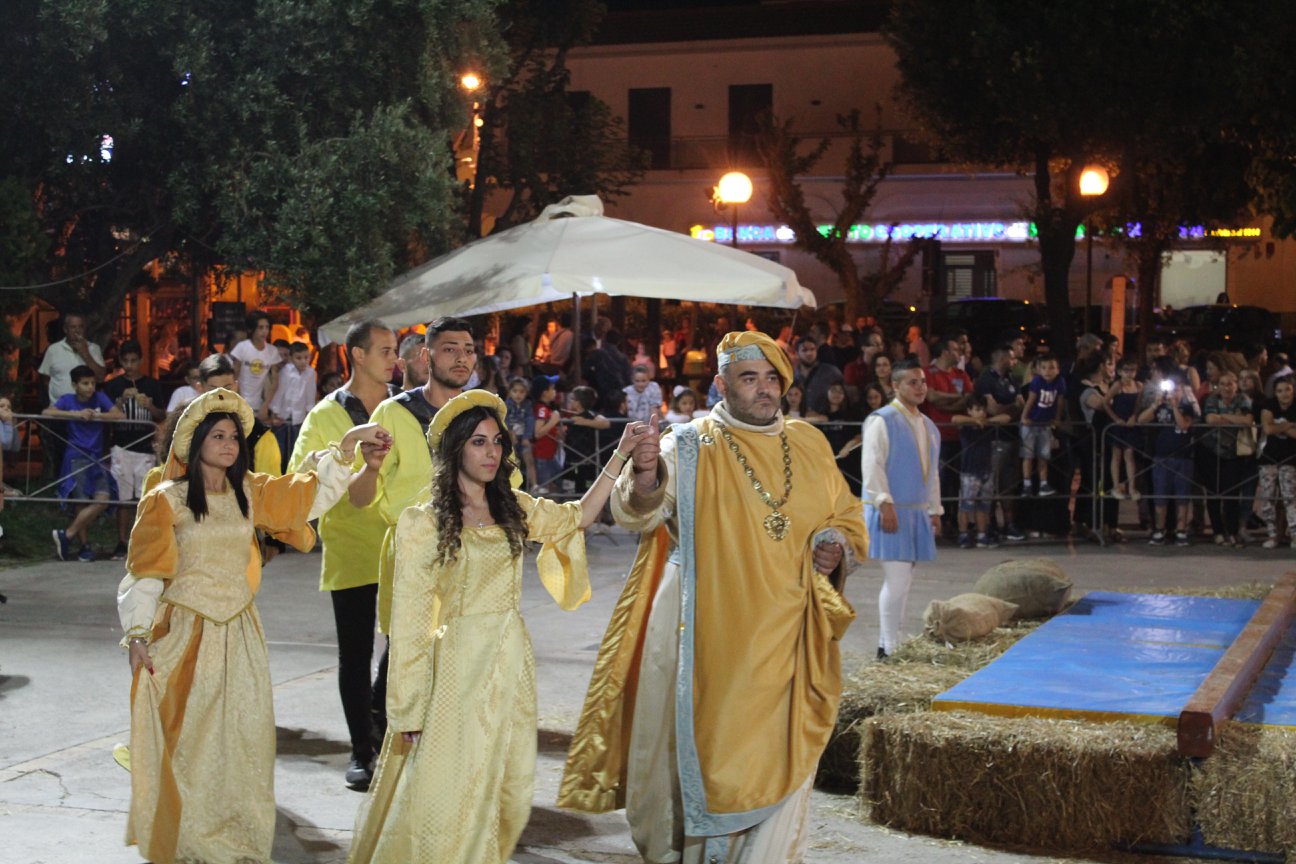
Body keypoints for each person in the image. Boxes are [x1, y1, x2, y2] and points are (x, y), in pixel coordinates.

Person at [558, 331, 865, 862]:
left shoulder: (810, 444)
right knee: (691, 754)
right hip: (701, 626)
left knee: (781, 751)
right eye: (750, 378)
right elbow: (639, 512)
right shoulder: (691, 443)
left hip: (788, 632)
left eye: (773, 378)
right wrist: (649, 472)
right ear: (722, 384)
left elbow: (844, 515)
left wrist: (833, 546)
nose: (764, 390)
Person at [348, 391, 650, 864]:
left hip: (508, 663)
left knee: (498, 789)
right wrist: (406, 709)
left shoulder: (513, 508)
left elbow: (578, 516)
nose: (491, 453)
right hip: (454, 669)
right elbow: (407, 623)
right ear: (454, 451)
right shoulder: (422, 523)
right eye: (478, 442)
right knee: (441, 788)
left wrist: (621, 454)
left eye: (496, 442)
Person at [116, 387, 390, 864]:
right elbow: (145, 572)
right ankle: (191, 840)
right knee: (191, 743)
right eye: (218, 436)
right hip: (185, 635)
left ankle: (238, 840)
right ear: (195, 441)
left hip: (240, 633)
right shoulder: (167, 499)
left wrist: (347, 446)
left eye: (234, 438)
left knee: (244, 741)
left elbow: (305, 496)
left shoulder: (250, 492)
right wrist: (138, 635)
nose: (228, 444)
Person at [288, 320, 400, 789]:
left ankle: (378, 712)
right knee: (353, 654)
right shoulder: (325, 414)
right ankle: (361, 751)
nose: (394, 358)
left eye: (395, 350)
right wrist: (347, 447)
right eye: (385, 350)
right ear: (356, 354)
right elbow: (298, 477)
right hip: (351, 543)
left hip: (403, 543)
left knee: (406, 645)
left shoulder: (405, 407)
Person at [349, 316, 476, 636]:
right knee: (406, 664)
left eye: (469, 350)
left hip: (473, 557)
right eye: (450, 349)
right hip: (413, 556)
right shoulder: (393, 413)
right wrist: (371, 467)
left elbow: (510, 488)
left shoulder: (482, 414)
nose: (462, 358)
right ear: (425, 356)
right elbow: (358, 498)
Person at [861, 359, 941, 656]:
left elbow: (932, 472)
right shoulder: (882, 420)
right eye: (912, 382)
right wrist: (883, 502)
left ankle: (894, 640)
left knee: (904, 581)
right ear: (895, 386)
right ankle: (887, 646)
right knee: (896, 579)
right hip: (892, 509)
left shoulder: (929, 425)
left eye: (922, 381)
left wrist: (934, 509)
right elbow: (872, 464)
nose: (920, 388)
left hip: (915, 511)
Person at [45, 365, 124, 561]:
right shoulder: (68, 400)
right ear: (74, 385)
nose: (90, 387)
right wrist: (75, 414)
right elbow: (47, 412)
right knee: (81, 500)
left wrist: (97, 415)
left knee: (103, 498)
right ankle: (84, 546)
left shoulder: (99, 398)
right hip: (76, 455)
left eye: (92, 383)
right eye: (85, 383)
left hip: (96, 456)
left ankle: (67, 535)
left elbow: (118, 414)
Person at [103, 340, 166, 560]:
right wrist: (120, 403)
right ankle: (122, 541)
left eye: (133, 361)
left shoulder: (152, 385)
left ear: (140, 360)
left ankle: (142, 540)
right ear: (120, 361)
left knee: (143, 497)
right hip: (121, 446)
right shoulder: (113, 386)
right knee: (123, 498)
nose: (130, 365)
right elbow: (107, 417)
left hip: (145, 447)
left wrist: (148, 406)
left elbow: (161, 415)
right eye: (125, 361)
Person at [1137, 365, 1200, 545]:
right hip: (1161, 458)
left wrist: (1174, 407)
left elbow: (1183, 425)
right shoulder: (1160, 406)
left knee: (1182, 496)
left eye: (1177, 389)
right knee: (1160, 496)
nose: (1173, 392)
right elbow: (1142, 420)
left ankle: (1181, 530)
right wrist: (1156, 404)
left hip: (1183, 458)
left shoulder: (1187, 407)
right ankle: (1159, 530)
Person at [198, 354, 282, 475]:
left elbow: (270, 487)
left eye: (227, 388)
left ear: (236, 386)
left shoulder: (259, 435)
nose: (222, 396)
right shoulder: (187, 428)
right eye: (213, 390)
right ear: (200, 388)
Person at [923, 335, 973, 533]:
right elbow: (932, 397)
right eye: (954, 348)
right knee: (939, 480)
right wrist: (958, 399)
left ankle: (954, 518)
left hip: (960, 436)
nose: (959, 352)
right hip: (937, 436)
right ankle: (939, 520)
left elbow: (969, 399)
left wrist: (950, 400)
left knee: (958, 481)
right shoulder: (929, 373)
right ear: (944, 352)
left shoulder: (961, 375)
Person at [1201, 371, 1254, 547]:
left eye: (1230, 384)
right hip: (1212, 451)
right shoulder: (1211, 399)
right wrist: (1234, 419)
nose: (1226, 388)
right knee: (1213, 493)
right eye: (1222, 384)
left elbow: (1247, 421)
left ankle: (1232, 531)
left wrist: (1222, 418)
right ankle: (1217, 531)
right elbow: (1209, 419)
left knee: (1232, 494)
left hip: (1234, 453)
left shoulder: (1243, 399)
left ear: (1236, 385)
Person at [953, 393, 1009, 548]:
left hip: (986, 469)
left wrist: (987, 420)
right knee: (965, 505)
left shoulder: (987, 425)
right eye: (977, 409)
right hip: (970, 471)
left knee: (983, 505)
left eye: (983, 410)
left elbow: (1006, 418)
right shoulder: (966, 426)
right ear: (969, 410)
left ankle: (981, 534)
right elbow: (955, 419)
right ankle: (963, 534)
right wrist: (974, 421)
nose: (981, 413)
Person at [1020, 354, 1067, 496]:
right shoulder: (1036, 382)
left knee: (1043, 455)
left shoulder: (1060, 382)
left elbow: (1060, 402)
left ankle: (1043, 483)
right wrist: (1024, 417)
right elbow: (1031, 400)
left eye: (1051, 368)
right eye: (1044, 368)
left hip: (1045, 424)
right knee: (1028, 455)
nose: (1048, 371)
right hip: (1031, 422)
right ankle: (1027, 484)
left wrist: (1057, 418)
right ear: (1038, 369)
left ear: (1058, 369)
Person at [1258, 375, 1296, 549]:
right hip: (1269, 458)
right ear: (1275, 393)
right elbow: (1268, 428)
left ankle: (1294, 534)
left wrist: (1278, 426)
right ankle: (1273, 534)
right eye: (1280, 391)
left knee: (1290, 497)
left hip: (1291, 459)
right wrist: (1289, 425)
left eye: (1287, 389)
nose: (1284, 394)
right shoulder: (1269, 405)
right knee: (1267, 497)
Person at [268, 341, 317, 472]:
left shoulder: (311, 373)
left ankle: (292, 474)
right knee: (280, 450)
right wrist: (275, 411)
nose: (303, 362)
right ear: (291, 358)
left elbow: (310, 395)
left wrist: (309, 414)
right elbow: (280, 392)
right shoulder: (286, 371)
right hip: (283, 416)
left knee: (295, 449)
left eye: (306, 357)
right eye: (299, 358)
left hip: (299, 418)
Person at [230, 310, 282, 420]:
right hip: (240, 402)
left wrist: (266, 405)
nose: (264, 331)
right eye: (260, 327)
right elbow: (234, 376)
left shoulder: (272, 351)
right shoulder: (242, 347)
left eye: (267, 327)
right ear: (252, 329)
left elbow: (275, 381)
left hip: (260, 404)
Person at [1104, 357, 1143, 499]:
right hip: (1118, 424)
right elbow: (1105, 402)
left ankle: (1132, 488)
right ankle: (1116, 487)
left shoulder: (1139, 386)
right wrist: (1116, 419)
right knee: (1116, 455)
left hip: (1130, 424)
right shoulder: (1117, 385)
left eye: (1132, 370)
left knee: (1129, 455)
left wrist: (1134, 416)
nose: (1129, 374)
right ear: (1120, 371)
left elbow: (1138, 405)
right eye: (1126, 370)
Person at [564, 385, 611, 492]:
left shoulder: (590, 415)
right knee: (569, 491)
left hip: (587, 461)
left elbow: (606, 423)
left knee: (585, 490)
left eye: (572, 399)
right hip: (571, 459)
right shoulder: (570, 417)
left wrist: (584, 422)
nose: (570, 401)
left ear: (579, 402)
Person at [792, 336, 843, 415]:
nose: (809, 353)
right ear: (797, 353)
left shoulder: (831, 372)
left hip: (825, 418)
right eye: (804, 350)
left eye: (812, 349)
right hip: (800, 419)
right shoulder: (792, 375)